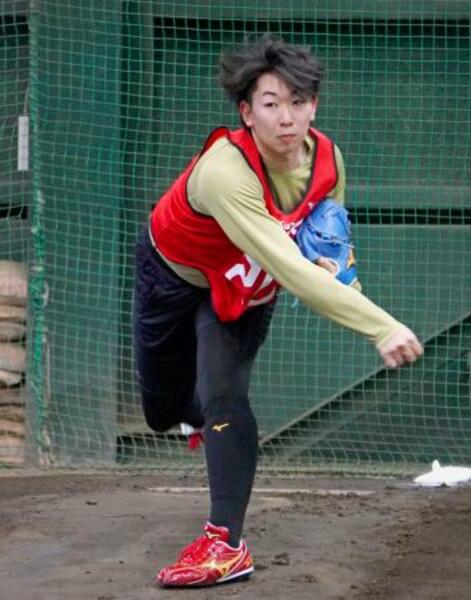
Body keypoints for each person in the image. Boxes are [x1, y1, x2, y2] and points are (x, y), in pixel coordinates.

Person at [133, 36, 423, 588]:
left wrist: (340, 269)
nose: (286, 117)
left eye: (298, 101)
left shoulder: (328, 158)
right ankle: (201, 418)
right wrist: (381, 326)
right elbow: (290, 267)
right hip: (173, 275)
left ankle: (225, 544)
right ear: (247, 113)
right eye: (271, 104)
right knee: (160, 410)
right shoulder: (225, 170)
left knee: (224, 394)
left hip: (246, 280)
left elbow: (328, 240)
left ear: (314, 105)